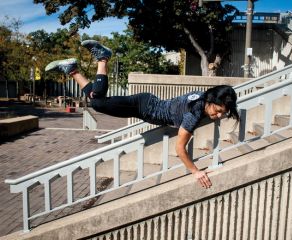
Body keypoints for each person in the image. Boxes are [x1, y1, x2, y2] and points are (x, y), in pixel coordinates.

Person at [45, 40, 240, 189]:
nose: (219, 116)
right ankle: (102, 58)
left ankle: (72, 70)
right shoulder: (194, 114)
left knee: (97, 98)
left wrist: (216, 112)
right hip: (143, 107)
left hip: (146, 104)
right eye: (218, 110)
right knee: (97, 102)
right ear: (212, 101)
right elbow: (180, 149)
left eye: (223, 113)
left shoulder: (203, 97)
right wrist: (195, 172)